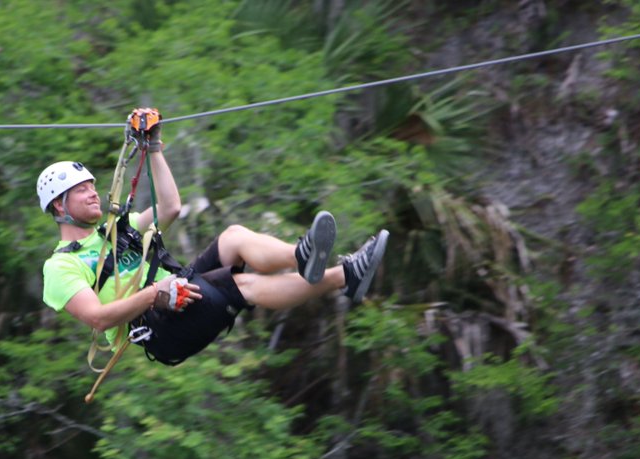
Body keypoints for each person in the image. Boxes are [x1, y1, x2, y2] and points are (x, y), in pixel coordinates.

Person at [39, 108, 388, 366]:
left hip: (178, 288)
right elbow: (99, 318)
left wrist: (155, 147)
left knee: (233, 237)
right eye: (81, 190)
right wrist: (153, 294)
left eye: (91, 187)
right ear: (59, 205)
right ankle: (343, 276)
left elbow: (170, 206)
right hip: (158, 327)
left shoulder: (117, 228)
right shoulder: (61, 266)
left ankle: (304, 256)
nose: (92, 194)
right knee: (242, 284)